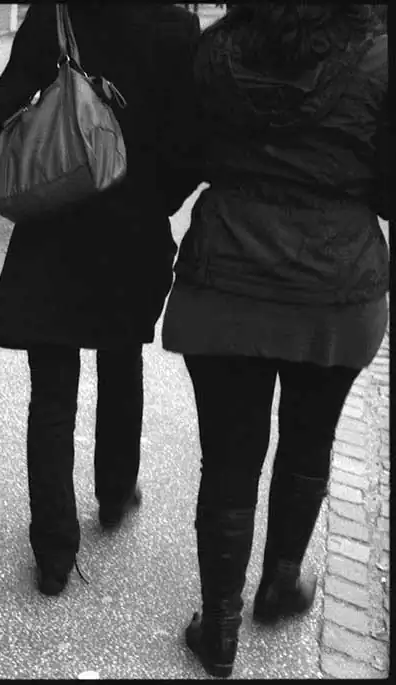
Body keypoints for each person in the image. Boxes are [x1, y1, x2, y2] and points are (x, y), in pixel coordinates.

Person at [162, 4, 388, 678]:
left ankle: (219, 631)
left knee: (228, 458)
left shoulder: (215, 51)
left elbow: (177, 165)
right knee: (310, 439)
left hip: (226, 277)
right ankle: (280, 583)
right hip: (335, 289)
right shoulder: (380, 57)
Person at [0, 3, 202, 595]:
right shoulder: (177, 28)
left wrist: (43, 169)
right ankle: (114, 493)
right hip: (133, 229)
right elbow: (190, 147)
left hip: (55, 224)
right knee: (122, 360)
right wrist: (150, 197)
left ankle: (54, 553)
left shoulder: (54, 13)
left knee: (52, 394)